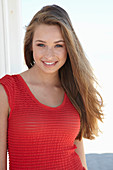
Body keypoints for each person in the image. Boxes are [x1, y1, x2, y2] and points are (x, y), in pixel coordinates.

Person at [0, 4, 103, 170]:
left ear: (68, 48)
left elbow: (78, 149)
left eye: (58, 45)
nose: (49, 54)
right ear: (30, 45)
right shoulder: (7, 90)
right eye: (41, 44)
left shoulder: (74, 88)